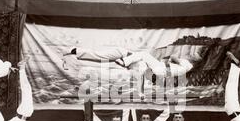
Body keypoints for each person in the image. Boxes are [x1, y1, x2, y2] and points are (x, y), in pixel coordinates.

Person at [64, 46, 199, 77]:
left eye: (193, 54)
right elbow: (170, 61)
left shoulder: (188, 63)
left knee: (142, 54)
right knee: (106, 57)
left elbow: (172, 58)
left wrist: (172, 58)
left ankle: (78, 53)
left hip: (156, 70)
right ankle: (79, 53)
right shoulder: (186, 64)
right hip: (154, 70)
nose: (190, 54)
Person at [2, 56, 33, 121]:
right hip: (25, 113)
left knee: (26, 90)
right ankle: (22, 68)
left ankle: (22, 68)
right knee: (26, 90)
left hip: (24, 112)